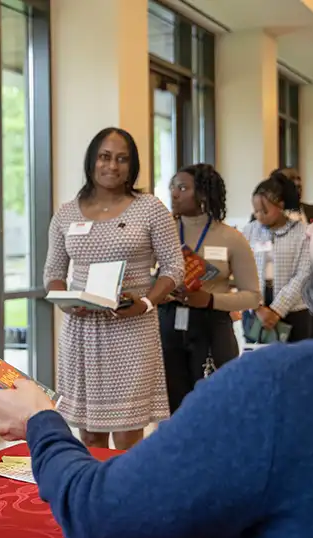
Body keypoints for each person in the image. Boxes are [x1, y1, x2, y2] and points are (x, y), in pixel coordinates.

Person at [0, 119, 313, 538]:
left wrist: (39, 422)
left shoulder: (275, 387)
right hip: (89, 332)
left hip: (152, 333)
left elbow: (104, 515)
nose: (310, 228)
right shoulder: (67, 213)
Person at [42, 127, 183, 451]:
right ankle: (94, 496)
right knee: (89, 434)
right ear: (92, 160)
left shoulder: (150, 208)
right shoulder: (66, 212)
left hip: (131, 328)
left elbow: (174, 268)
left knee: (127, 433)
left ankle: (124, 497)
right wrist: (65, 300)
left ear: (132, 166)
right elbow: (52, 272)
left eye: (123, 159)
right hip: (82, 331)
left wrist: (147, 302)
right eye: (105, 156)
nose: (112, 166)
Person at [161, 164, 260, 413]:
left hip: (212, 328)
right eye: (173, 186)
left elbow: (253, 297)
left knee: (216, 407)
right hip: (168, 325)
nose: (174, 193)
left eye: (183, 188)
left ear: (203, 194)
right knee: (173, 410)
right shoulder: (163, 233)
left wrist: (210, 300)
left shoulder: (231, 238)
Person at [241, 173, 312, 342]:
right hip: (256, 309)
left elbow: (304, 274)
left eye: (264, 210)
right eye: (256, 211)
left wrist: (277, 310)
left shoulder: (301, 232)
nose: (259, 215)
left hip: (294, 309)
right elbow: (241, 271)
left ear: (280, 205)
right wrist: (258, 307)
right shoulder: (250, 231)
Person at [274, 167, 313, 337]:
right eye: (292, 179)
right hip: (285, 292)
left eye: (299, 178)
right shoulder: (265, 217)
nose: (298, 183)